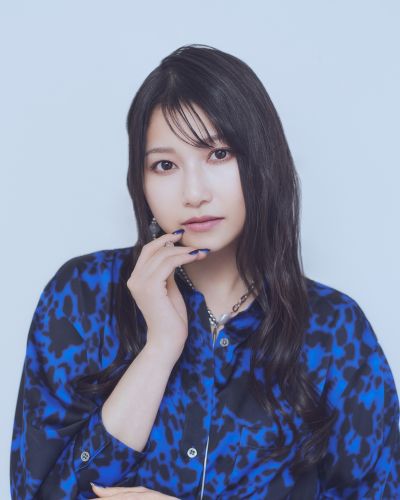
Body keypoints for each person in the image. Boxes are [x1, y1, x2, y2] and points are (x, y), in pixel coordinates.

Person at [10, 43, 400, 500]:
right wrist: (159, 349)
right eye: (165, 165)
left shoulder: (333, 328)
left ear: (262, 159)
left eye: (219, 154)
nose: (194, 193)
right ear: (141, 181)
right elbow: (36, 492)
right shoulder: (82, 296)